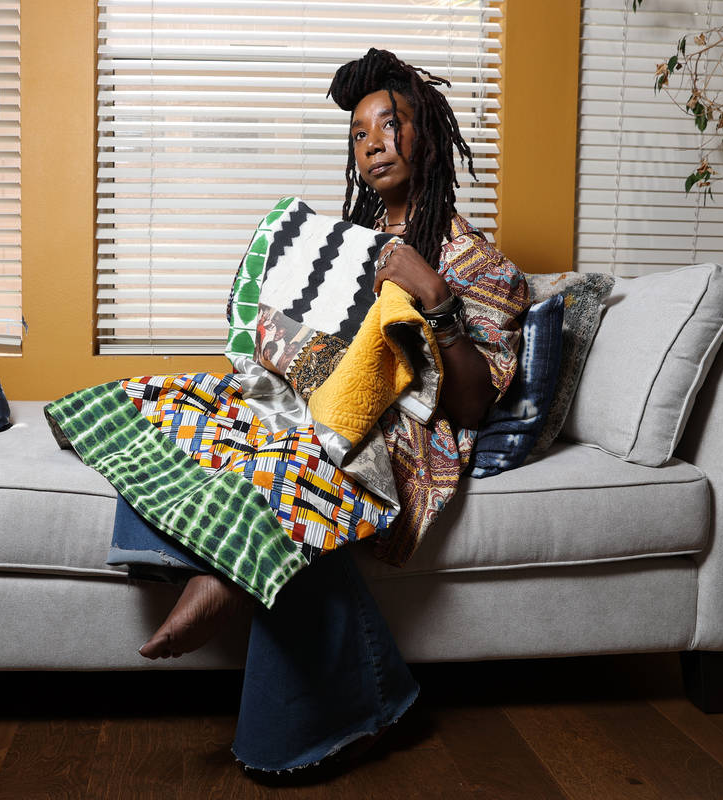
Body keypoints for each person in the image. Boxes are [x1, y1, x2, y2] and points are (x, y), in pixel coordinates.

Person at [103, 48, 529, 774]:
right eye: (360, 134)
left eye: (390, 125)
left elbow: (472, 402)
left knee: (305, 456)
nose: (373, 143)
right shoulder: (337, 252)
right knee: (180, 406)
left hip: (400, 435)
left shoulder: (484, 266)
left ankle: (228, 576)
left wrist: (437, 299)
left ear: (426, 132)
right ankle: (247, 590)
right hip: (307, 409)